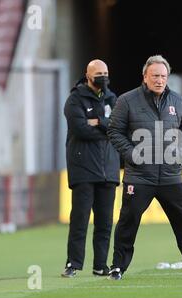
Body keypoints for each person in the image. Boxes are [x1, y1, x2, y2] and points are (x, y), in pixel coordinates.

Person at [107, 55, 182, 280]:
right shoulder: (127, 100)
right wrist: (132, 153)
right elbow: (114, 131)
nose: (159, 80)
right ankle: (118, 267)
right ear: (145, 77)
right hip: (140, 176)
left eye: (163, 76)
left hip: (171, 175)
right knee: (128, 221)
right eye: (155, 76)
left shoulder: (178, 101)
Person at [61, 59, 120, 277]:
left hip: (109, 168)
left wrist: (97, 122)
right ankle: (73, 264)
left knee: (105, 223)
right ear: (88, 75)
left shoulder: (113, 98)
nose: (103, 77)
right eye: (98, 73)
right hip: (83, 168)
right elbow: (80, 129)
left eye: (105, 72)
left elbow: (118, 126)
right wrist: (105, 125)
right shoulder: (74, 100)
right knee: (80, 220)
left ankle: (100, 265)